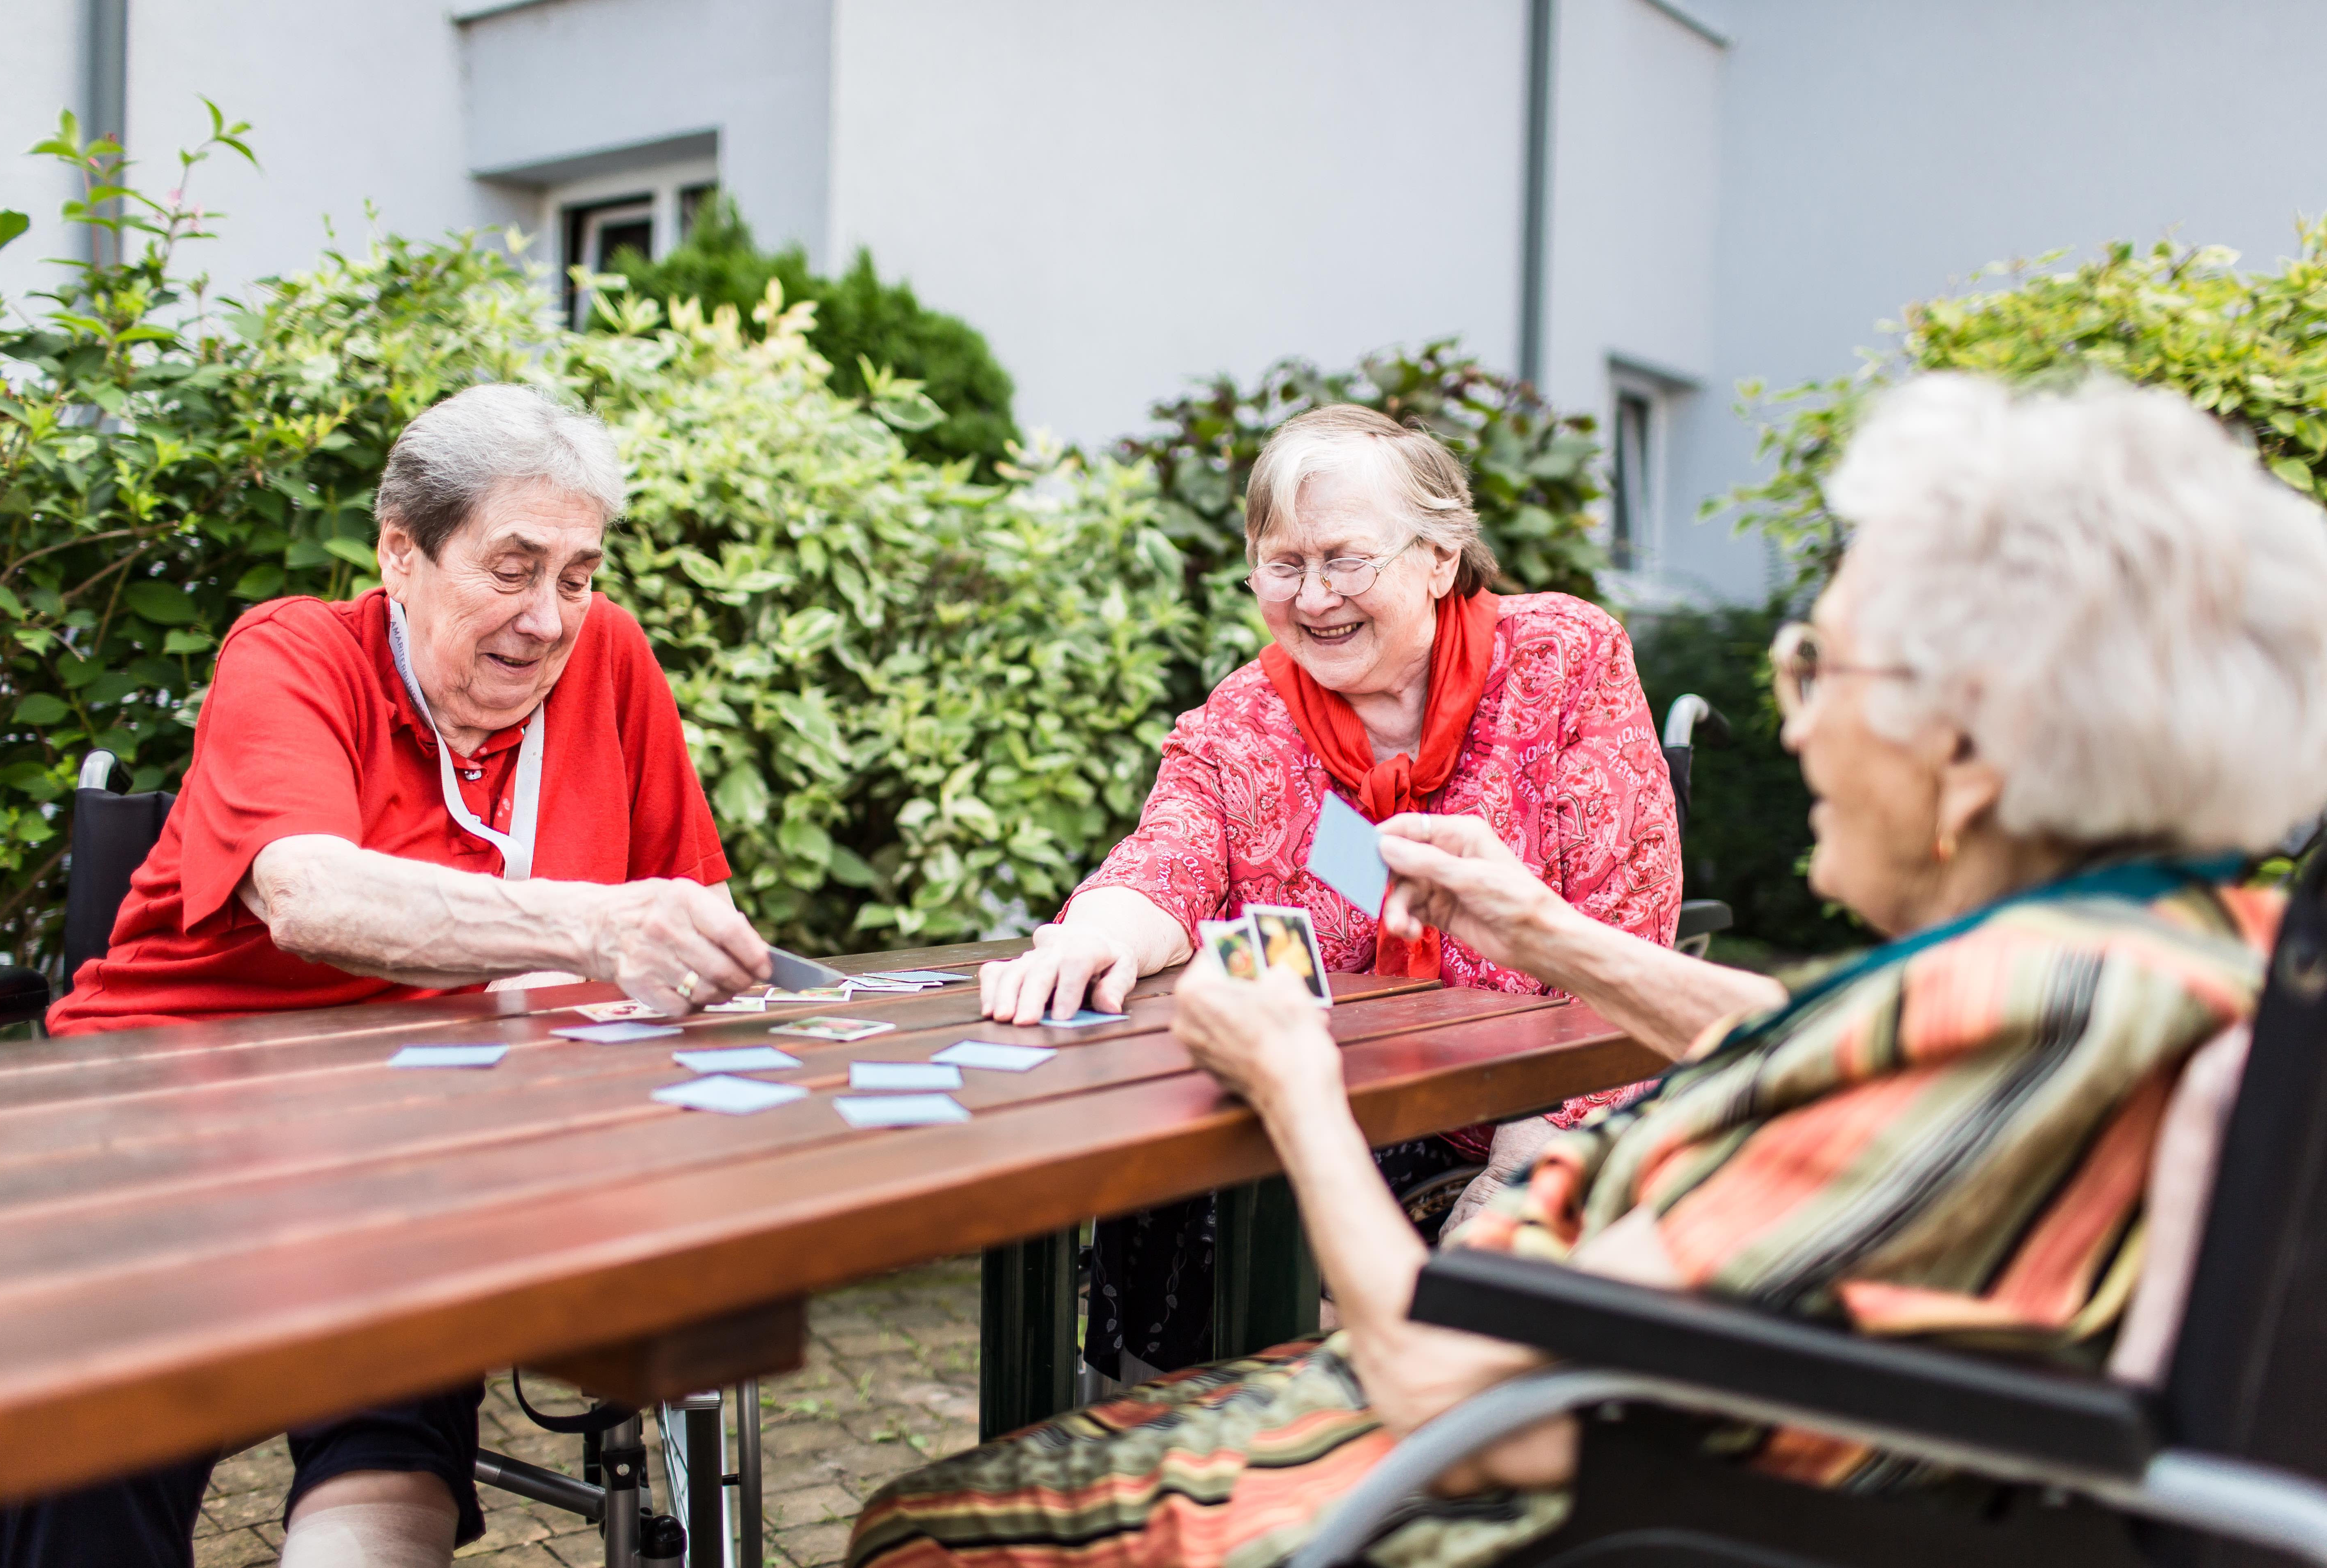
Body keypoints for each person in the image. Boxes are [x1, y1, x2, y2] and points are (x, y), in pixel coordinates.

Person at [849, 373, 2327, 1568]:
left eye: (1823, 671)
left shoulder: (2023, 1005)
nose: (1795, 727)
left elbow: (1448, 1385)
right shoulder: (2151, 958)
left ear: (1969, 750)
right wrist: (1539, 932)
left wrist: (1298, 1085)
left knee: (921, 1527)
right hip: (1633, 1416)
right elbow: (1813, 1035)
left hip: (1521, 1480)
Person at [1, 385, 775, 1568]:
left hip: (424, 1147)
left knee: (396, 1419)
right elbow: (313, 897)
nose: (550, 617)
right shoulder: (295, 653)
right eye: (512, 568)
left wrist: (696, 963)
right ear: (401, 554)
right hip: (172, 1122)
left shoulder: (607, 658)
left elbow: (691, 912)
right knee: (102, 1423)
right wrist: (597, 928)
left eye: (578, 574)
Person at [977, 404, 1680, 1381]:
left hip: (1531, 1107)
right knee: (1172, 1164)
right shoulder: (1253, 712)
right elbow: (1170, 855)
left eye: (1346, 560)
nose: (1313, 598)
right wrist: (1092, 936)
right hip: (1333, 1099)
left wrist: (1528, 1157)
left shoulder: (1560, 662)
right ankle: (1178, 1445)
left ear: (1439, 558)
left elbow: (1626, 915)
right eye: (1283, 564)